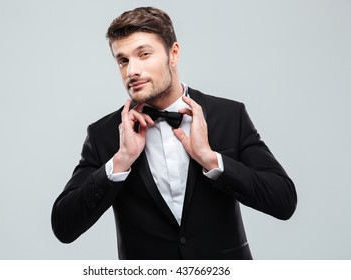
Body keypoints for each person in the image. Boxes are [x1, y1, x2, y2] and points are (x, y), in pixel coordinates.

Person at [51, 6, 297, 260]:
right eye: (123, 60)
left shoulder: (228, 116)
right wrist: (120, 161)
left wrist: (211, 160)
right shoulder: (105, 134)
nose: (131, 71)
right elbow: (64, 227)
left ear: (173, 53)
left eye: (144, 54)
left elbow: (283, 200)